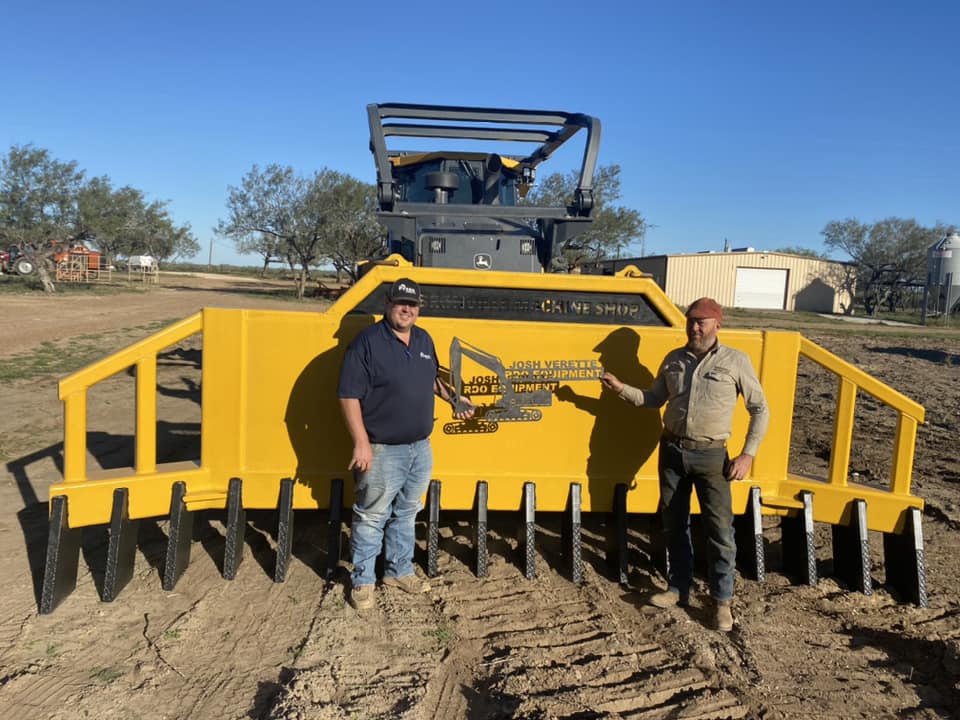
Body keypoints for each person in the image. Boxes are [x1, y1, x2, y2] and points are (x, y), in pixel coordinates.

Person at [599, 297, 769, 631]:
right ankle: (678, 589)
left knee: (720, 531)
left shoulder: (736, 361)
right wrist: (620, 389)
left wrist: (748, 454)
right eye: (691, 321)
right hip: (672, 451)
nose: (694, 327)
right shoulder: (673, 360)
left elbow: (760, 409)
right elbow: (652, 399)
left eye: (701, 322)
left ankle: (722, 603)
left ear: (717, 325)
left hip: (711, 456)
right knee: (674, 525)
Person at [337, 277, 474, 611]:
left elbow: (430, 379)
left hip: (419, 447)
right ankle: (363, 581)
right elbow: (348, 395)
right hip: (382, 449)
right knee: (371, 517)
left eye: (412, 305)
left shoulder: (424, 339)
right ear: (387, 304)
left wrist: (454, 399)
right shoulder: (367, 343)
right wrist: (361, 443)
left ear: (418, 308)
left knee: (407, 513)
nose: (406, 309)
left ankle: (398, 571)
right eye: (401, 303)